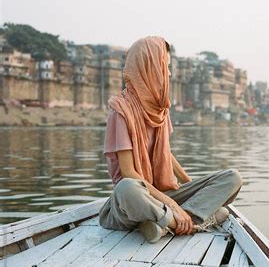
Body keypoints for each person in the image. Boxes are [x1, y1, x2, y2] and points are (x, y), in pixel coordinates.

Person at [98, 36, 244, 243]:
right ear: (147, 68)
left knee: (233, 177)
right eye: (163, 66)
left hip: (163, 195)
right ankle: (190, 224)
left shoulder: (160, 109)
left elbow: (164, 152)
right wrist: (174, 206)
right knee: (127, 187)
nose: (168, 73)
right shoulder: (120, 109)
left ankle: (165, 226)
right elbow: (129, 173)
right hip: (133, 201)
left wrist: (193, 187)